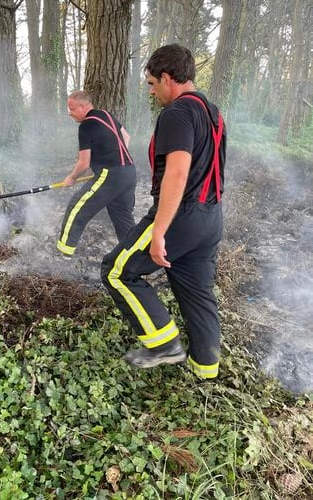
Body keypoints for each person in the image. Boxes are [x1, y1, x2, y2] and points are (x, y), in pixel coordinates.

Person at [101, 44, 226, 380]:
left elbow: (178, 172)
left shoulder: (177, 113)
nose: (152, 91)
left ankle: (164, 345)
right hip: (211, 218)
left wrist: (159, 230)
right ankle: (206, 372)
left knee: (116, 270)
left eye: (153, 84)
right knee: (198, 294)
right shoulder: (213, 113)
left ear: (168, 78)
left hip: (180, 216)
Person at [56, 90, 136, 257]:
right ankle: (133, 256)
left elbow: (84, 163)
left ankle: (63, 254)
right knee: (122, 217)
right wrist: (115, 157)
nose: (69, 113)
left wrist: (71, 178)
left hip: (111, 175)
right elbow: (126, 137)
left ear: (83, 106)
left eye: (71, 109)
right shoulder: (106, 115)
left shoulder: (86, 126)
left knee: (76, 207)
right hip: (129, 172)